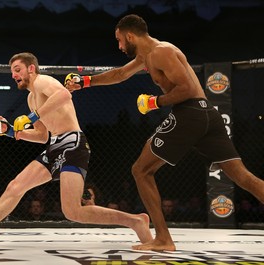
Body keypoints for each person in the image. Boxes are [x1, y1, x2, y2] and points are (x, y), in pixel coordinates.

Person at [64, 14, 264, 251]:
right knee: (242, 176)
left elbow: (187, 88)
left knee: (141, 170)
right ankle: (162, 238)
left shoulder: (161, 52)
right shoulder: (147, 55)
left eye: (119, 40)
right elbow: (120, 74)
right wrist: (85, 81)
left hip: (189, 113)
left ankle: (163, 239)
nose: (119, 46)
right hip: (207, 114)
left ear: (130, 35)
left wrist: (154, 102)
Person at [0, 52, 152, 246]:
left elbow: (64, 95)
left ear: (31, 68)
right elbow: (42, 136)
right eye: (12, 71)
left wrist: (32, 117)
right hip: (55, 145)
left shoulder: (43, 81)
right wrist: (8, 131)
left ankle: (134, 221)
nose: (14, 74)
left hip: (72, 144)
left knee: (73, 211)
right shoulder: (31, 98)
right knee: (16, 187)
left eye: (17, 69)